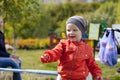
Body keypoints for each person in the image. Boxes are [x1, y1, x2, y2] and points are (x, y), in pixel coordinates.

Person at [40, 16, 102, 80]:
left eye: (75, 30)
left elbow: (92, 64)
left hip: (81, 78)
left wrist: (97, 74)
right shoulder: (63, 44)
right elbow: (56, 52)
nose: (71, 32)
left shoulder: (87, 49)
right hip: (64, 77)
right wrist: (48, 56)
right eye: (68, 30)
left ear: (82, 32)